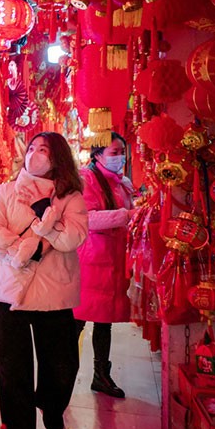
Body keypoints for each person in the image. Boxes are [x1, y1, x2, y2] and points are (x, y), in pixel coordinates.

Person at [0, 132, 88, 429]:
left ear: (58, 157)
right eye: (31, 148)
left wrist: (47, 214)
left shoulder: (69, 196)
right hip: (8, 291)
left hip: (54, 293)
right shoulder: (5, 191)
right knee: (12, 371)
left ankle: (52, 412)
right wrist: (26, 250)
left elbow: (72, 238)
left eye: (43, 149)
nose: (34, 154)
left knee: (62, 366)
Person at [73, 132, 135, 399]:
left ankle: (101, 375)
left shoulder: (122, 182)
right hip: (91, 261)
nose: (120, 157)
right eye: (114, 152)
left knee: (104, 322)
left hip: (113, 259)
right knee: (77, 321)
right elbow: (86, 218)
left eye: (122, 151)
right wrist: (126, 216)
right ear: (97, 155)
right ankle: (61, 375)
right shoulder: (86, 180)